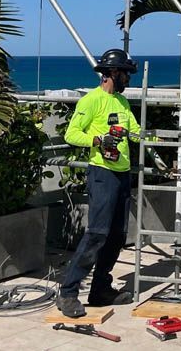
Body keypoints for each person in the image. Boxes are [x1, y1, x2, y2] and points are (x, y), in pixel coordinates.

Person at [57, 47, 141, 316]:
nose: (128, 78)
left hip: (122, 174)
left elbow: (136, 133)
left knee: (117, 235)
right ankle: (68, 293)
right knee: (97, 233)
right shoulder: (91, 101)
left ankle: (100, 289)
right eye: (125, 74)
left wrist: (160, 138)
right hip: (102, 174)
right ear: (112, 73)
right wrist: (98, 140)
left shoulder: (122, 102)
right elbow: (71, 134)